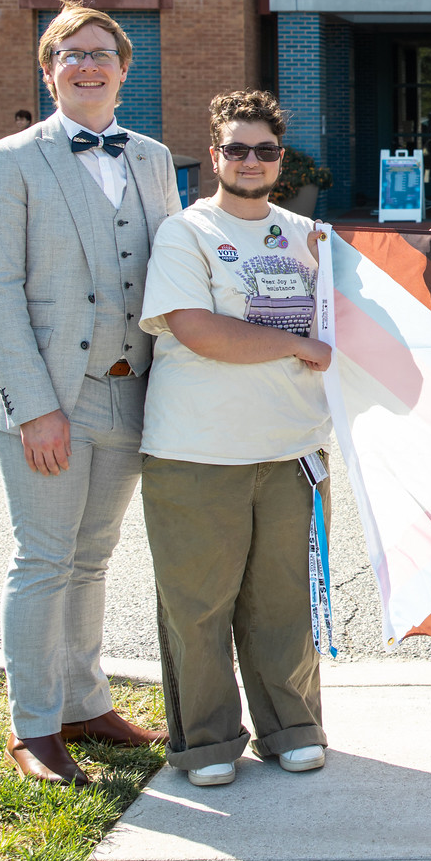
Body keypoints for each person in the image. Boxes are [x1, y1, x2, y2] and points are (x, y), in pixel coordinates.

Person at [0, 2, 179, 786]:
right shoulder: (12, 160)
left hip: (132, 393)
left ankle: (85, 704)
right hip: (50, 398)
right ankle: (33, 726)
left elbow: (172, 268)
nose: (87, 66)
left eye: (101, 54)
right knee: (44, 559)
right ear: (48, 71)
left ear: (124, 71)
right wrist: (35, 408)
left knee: (92, 558)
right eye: (70, 54)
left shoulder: (153, 158)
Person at [137, 90, 336, 788]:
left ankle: (293, 728)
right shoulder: (185, 232)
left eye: (265, 150)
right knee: (197, 608)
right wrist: (299, 345)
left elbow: (365, 314)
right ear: (215, 155)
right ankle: (207, 742)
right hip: (197, 451)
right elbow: (198, 329)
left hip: (292, 450)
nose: (251, 161)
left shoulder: (311, 237)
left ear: (281, 159)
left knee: (283, 604)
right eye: (236, 149)